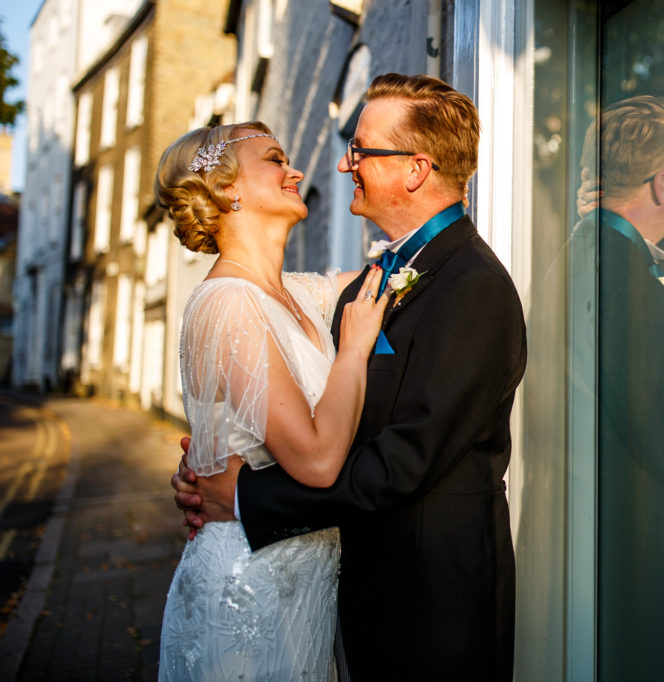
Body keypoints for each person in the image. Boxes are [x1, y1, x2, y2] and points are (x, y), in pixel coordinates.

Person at [172, 74, 527, 682]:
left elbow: (399, 463)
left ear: (414, 170)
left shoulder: (474, 289)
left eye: (360, 150)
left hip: (433, 609)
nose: (342, 164)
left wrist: (243, 495)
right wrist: (213, 456)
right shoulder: (364, 287)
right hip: (345, 593)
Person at [155, 121, 389, 680]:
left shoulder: (303, 295)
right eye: (275, 159)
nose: (297, 171)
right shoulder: (227, 303)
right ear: (226, 187)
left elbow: (405, 269)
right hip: (247, 590)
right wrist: (353, 350)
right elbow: (314, 459)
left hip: (305, 592)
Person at [572, 95, 664, 679]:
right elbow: (656, 430)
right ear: (659, 183)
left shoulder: (595, 249)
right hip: (624, 539)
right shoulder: (621, 273)